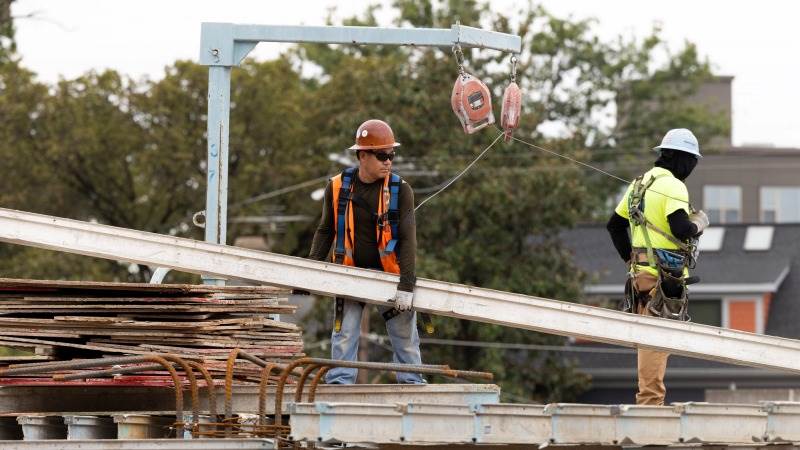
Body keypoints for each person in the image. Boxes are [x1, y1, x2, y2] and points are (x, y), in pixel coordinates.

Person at [307, 119, 424, 384]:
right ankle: (339, 387)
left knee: (405, 339)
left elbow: (407, 239)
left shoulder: (400, 190)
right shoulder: (337, 187)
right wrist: (310, 271)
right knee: (345, 335)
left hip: (391, 276)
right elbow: (325, 231)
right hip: (351, 273)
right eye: (382, 155)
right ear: (363, 155)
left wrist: (406, 284)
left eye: (391, 155)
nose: (388, 161)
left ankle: (413, 388)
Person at [606, 128, 709, 405]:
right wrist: (699, 223)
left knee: (651, 342)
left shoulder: (639, 183)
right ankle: (649, 410)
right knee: (656, 343)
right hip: (663, 281)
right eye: (692, 162)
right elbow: (681, 227)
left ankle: (649, 405)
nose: (692, 168)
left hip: (640, 276)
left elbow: (614, 226)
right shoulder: (674, 185)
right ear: (682, 159)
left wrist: (631, 259)